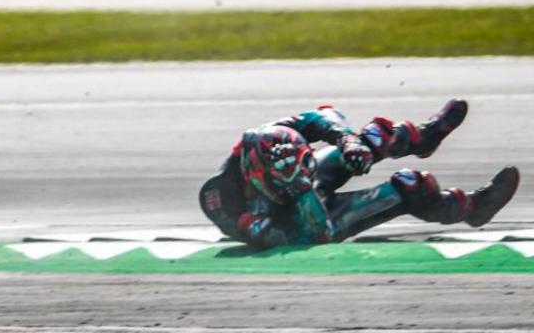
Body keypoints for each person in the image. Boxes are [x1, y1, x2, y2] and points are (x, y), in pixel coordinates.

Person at [199, 100, 519, 248]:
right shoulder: (220, 200)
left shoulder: (265, 136)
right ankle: (471, 208)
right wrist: (300, 191)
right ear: (258, 177)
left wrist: (347, 140)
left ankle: (424, 136)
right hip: (304, 221)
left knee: (371, 139)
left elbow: (324, 115)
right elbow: (314, 235)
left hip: (304, 182)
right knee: (409, 185)